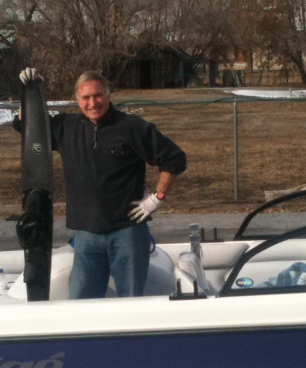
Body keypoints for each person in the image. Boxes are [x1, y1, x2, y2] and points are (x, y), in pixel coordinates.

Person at [16, 68, 187, 299]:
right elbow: (28, 125)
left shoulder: (131, 127)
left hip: (128, 233)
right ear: (77, 100)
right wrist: (31, 90)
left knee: (131, 302)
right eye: (85, 97)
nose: (92, 103)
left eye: (97, 95)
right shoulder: (66, 127)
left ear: (108, 96)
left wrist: (157, 198)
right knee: (82, 303)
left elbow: (174, 158)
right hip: (86, 236)